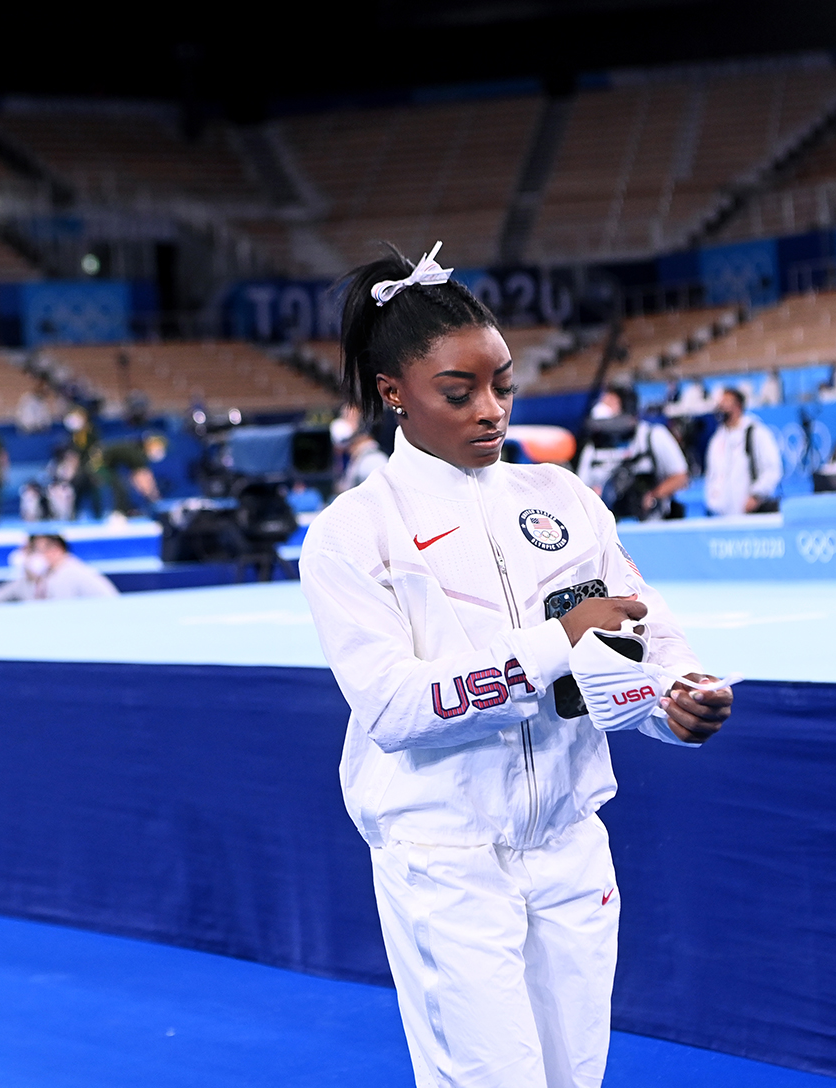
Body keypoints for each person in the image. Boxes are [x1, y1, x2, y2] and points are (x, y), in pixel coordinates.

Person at [299, 243, 733, 1088]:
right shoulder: (356, 533)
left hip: (571, 845)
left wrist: (674, 699)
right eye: (458, 393)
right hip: (446, 856)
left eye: (503, 386)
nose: (490, 410)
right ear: (394, 395)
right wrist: (557, 642)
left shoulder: (563, 499)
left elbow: (642, 632)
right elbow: (392, 710)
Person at [584, 397, 690, 521]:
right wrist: (593, 496)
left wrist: (653, 495)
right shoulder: (593, 448)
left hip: (651, 523)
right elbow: (582, 487)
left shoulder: (652, 436)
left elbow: (681, 477)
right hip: (610, 523)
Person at [0, 533, 120, 603]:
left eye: (35, 550)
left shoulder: (72, 574)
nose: (30, 556)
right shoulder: (40, 577)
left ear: (57, 550)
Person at [703, 387, 781, 516]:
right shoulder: (717, 440)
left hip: (750, 511)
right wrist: (712, 502)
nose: (721, 406)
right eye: (720, 403)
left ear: (738, 406)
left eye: (726, 402)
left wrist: (757, 495)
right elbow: (712, 474)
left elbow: (772, 469)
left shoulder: (756, 433)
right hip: (722, 514)